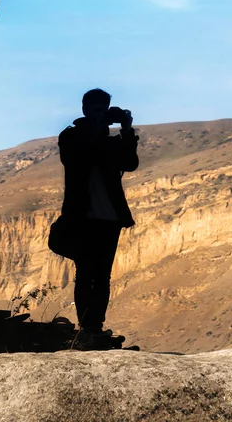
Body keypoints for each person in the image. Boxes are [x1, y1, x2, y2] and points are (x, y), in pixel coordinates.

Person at [58, 88, 139, 346]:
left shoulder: (110, 142)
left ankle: (96, 326)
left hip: (109, 219)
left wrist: (126, 130)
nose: (99, 115)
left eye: (103, 111)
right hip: (82, 218)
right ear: (84, 110)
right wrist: (96, 126)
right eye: (95, 110)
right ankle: (86, 328)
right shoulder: (70, 137)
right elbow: (76, 156)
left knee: (102, 275)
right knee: (85, 273)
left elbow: (130, 162)